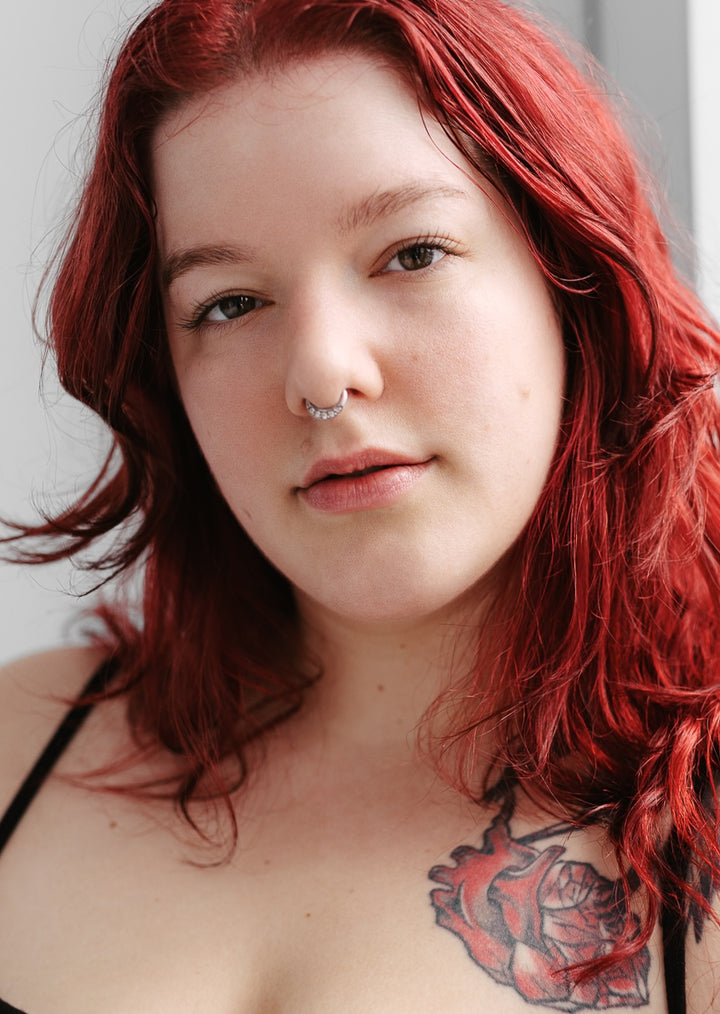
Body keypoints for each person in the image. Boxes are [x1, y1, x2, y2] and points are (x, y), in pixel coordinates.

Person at [1, 0, 719, 1009]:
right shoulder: (22, 741)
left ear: (575, 285)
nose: (321, 375)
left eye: (412, 253)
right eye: (230, 303)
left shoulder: (699, 834)